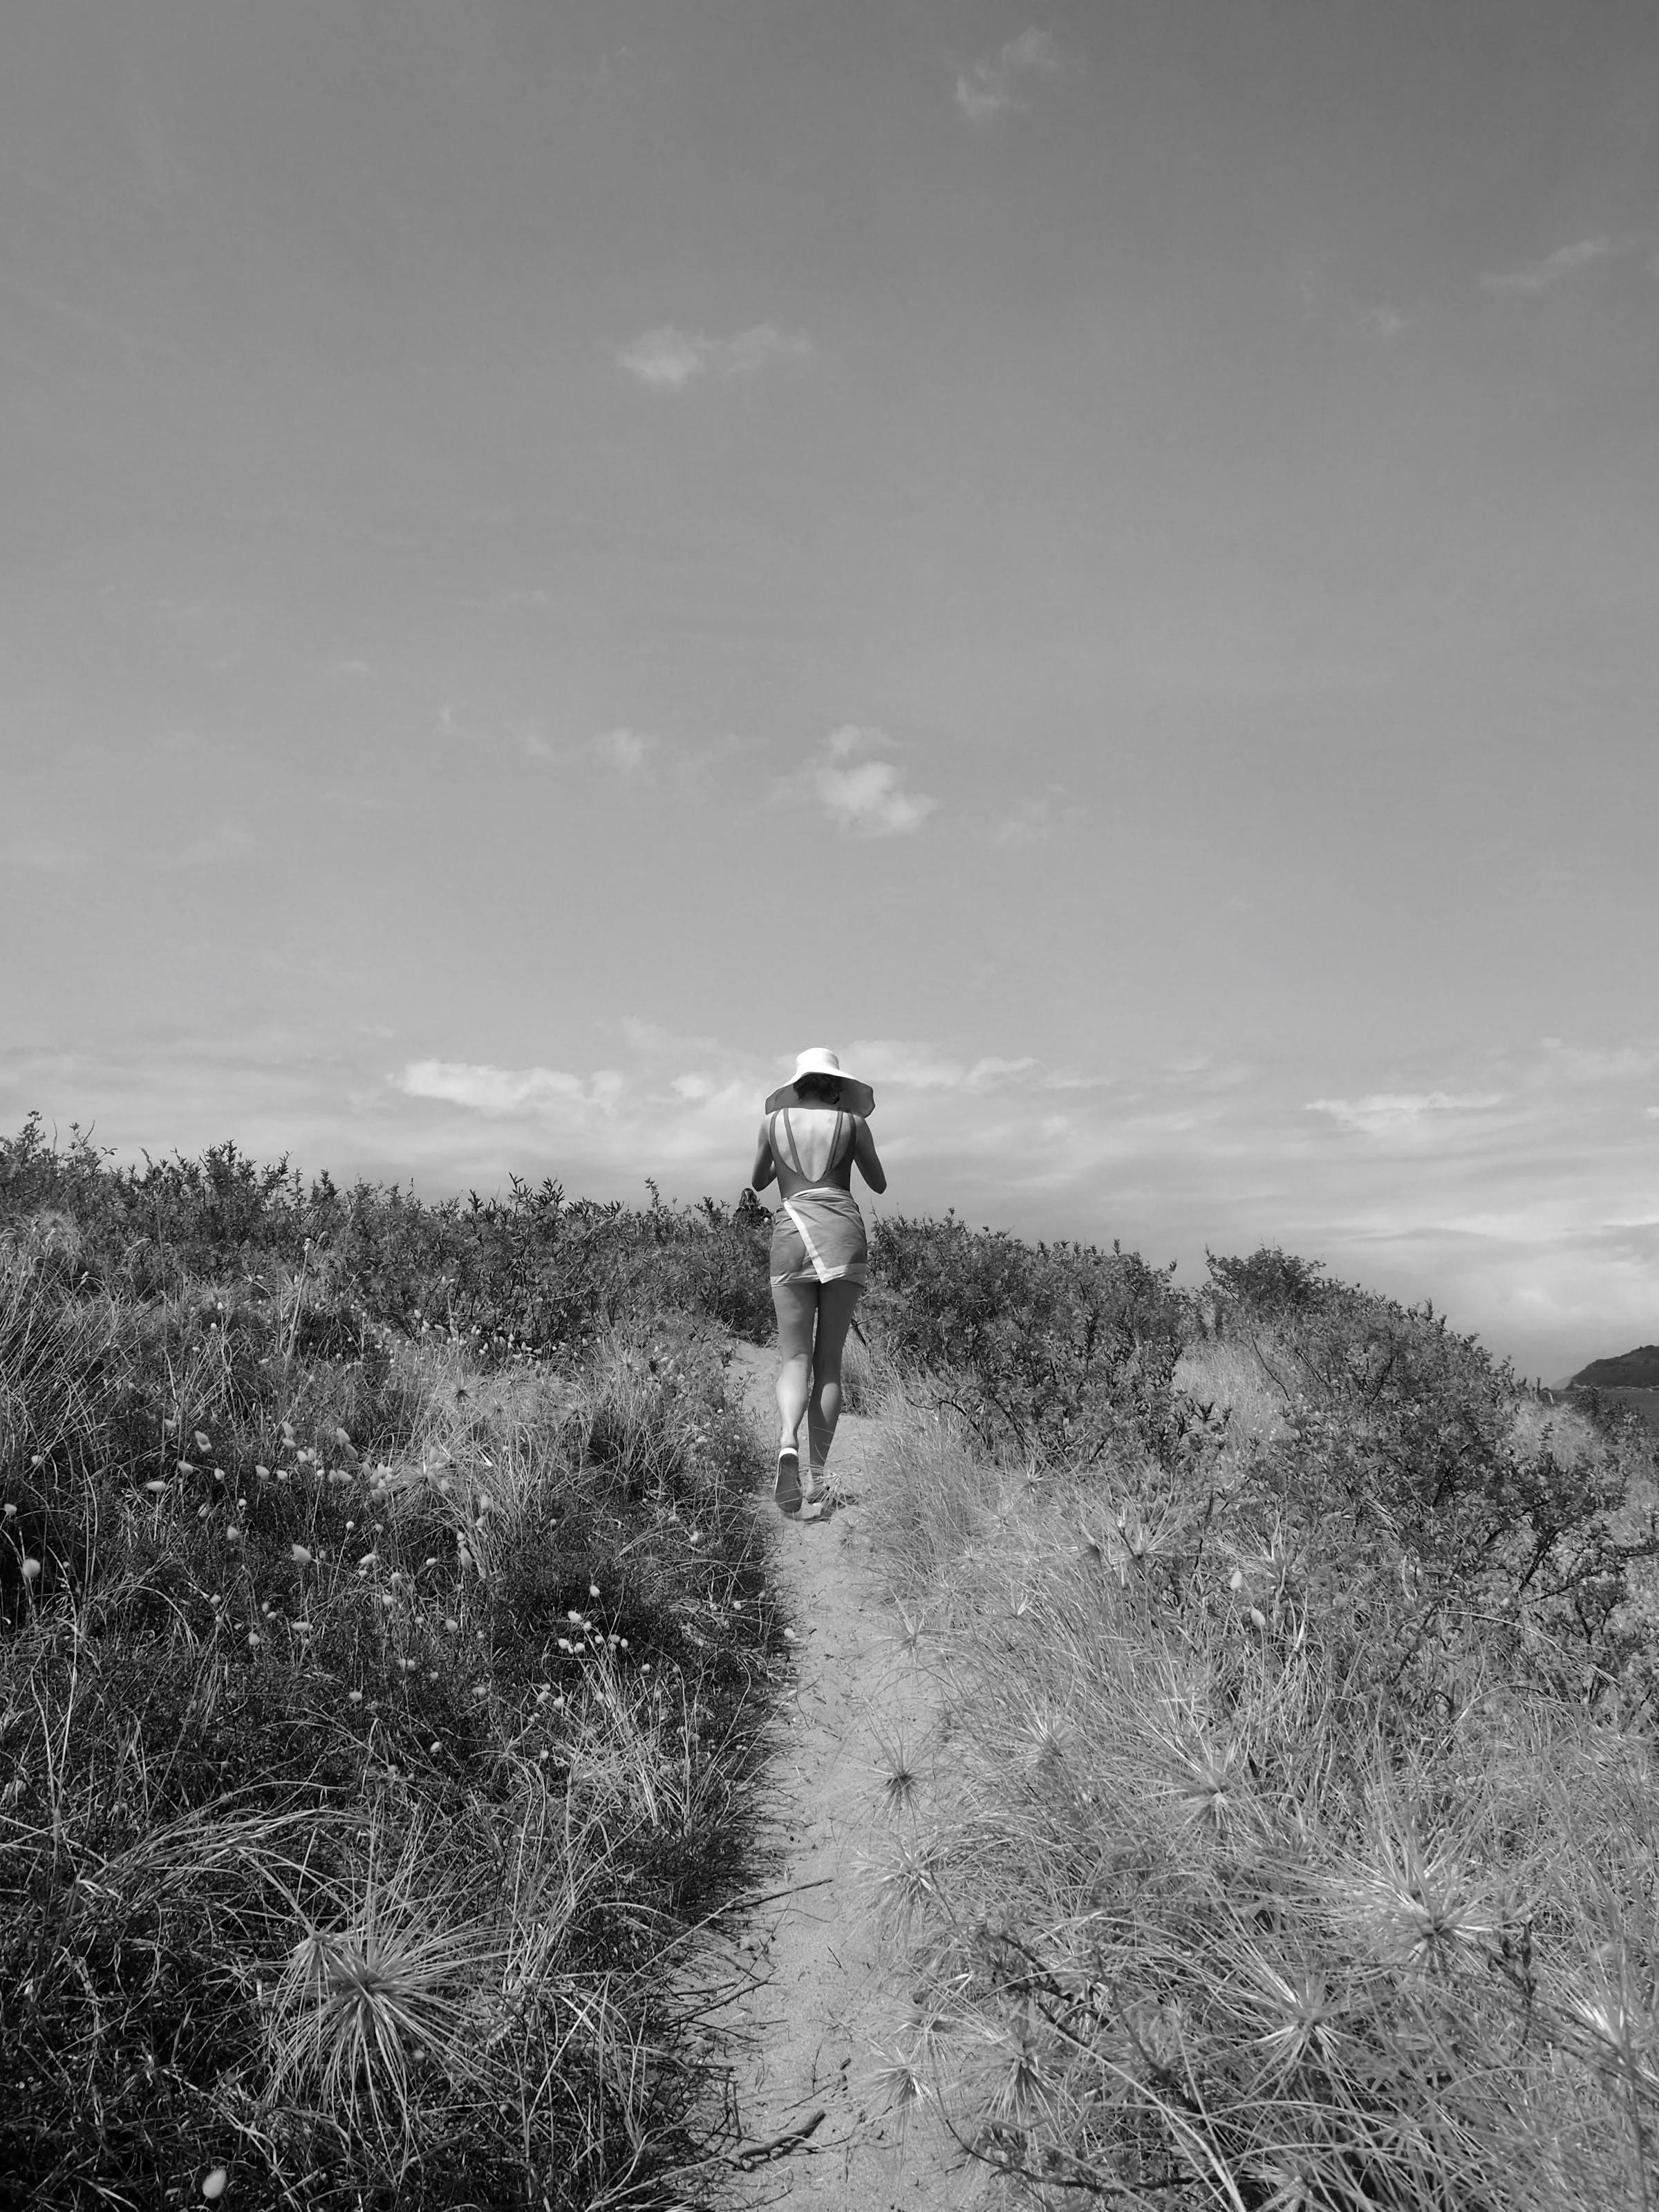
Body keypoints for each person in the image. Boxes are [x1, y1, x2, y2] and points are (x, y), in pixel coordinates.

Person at [750, 1047, 886, 1515]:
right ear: (836, 1086)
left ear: (799, 1083)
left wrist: (781, 1159)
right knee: (829, 1361)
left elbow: (759, 1180)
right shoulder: (853, 1124)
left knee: (795, 1358)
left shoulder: (774, 1124)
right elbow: (879, 1182)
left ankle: (787, 1438)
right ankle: (817, 1478)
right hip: (842, 1234)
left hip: (791, 1231)